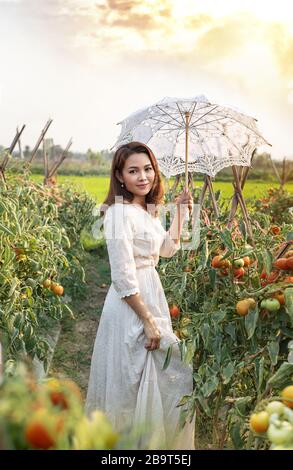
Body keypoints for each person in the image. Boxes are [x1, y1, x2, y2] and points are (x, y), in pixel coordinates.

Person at [85, 141, 195, 449]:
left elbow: (168, 250)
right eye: (133, 170)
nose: (143, 176)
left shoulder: (144, 211)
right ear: (120, 176)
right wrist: (147, 318)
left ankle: (150, 445)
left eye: (148, 169)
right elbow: (122, 275)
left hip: (151, 292)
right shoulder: (118, 214)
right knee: (130, 379)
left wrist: (181, 214)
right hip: (131, 303)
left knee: (155, 375)